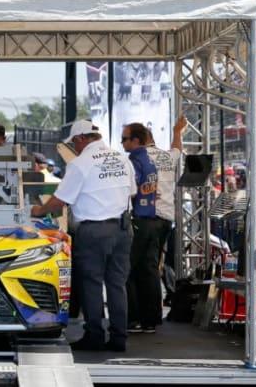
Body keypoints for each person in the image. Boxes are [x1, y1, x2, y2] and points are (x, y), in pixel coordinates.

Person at [31, 120, 135, 351]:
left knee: (91, 284)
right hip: (122, 228)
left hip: (93, 231)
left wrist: (38, 210)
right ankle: (119, 338)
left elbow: (61, 199)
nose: (75, 148)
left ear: (80, 139)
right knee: (117, 285)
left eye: (74, 143)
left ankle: (95, 335)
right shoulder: (122, 159)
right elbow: (132, 192)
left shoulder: (80, 164)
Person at [121, 123, 160, 334]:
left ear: (135, 140)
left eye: (124, 139)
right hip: (152, 219)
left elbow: (131, 190)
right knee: (149, 271)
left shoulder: (134, 161)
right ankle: (151, 319)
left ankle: (133, 318)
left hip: (137, 221)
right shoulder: (150, 160)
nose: (122, 143)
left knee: (127, 270)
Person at [146, 116, 186, 314]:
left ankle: (152, 311)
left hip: (150, 216)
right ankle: (157, 308)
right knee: (157, 264)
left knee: (148, 266)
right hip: (167, 218)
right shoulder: (167, 156)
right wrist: (177, 132)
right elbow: (177, 149)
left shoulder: (140, 157)